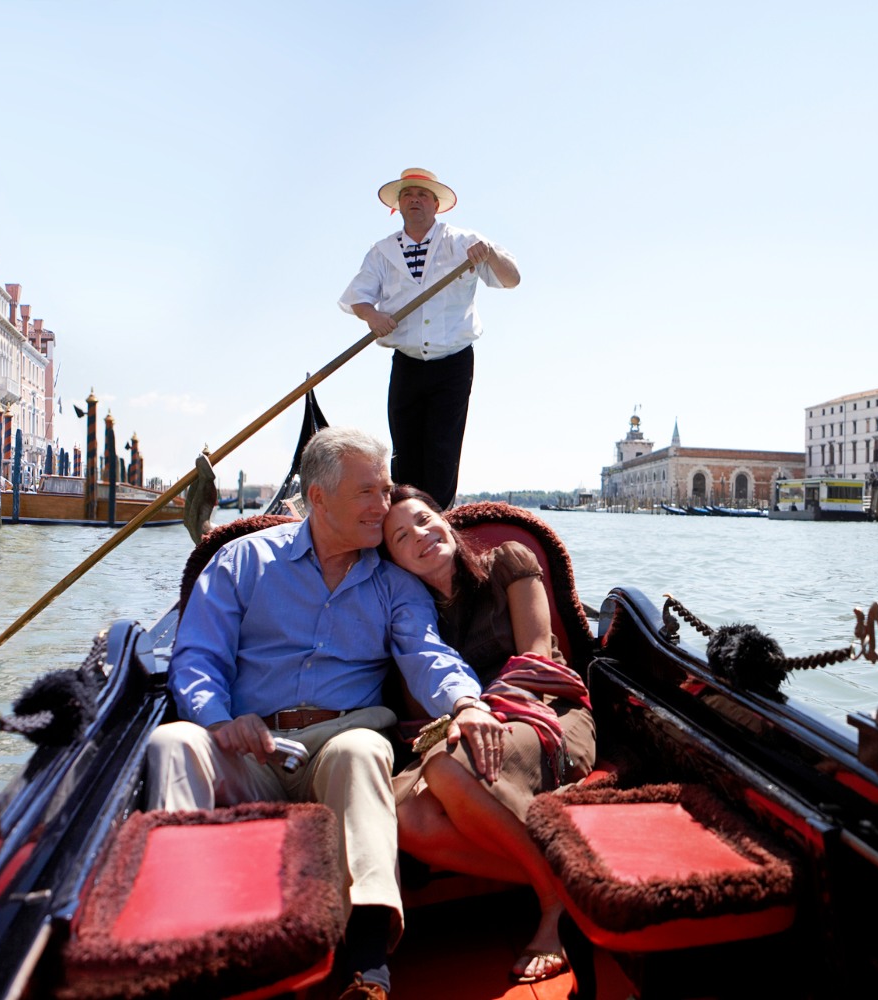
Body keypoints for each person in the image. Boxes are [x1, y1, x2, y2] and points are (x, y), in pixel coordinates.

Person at [144, 428, 499, 1000]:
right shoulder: (245, 561)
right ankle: (177, 942)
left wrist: (466, 701)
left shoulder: (393, 584)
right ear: (318, 498)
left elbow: (426, 654)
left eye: (384, 491)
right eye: (369, 493)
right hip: (248, 748)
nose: (382, 507)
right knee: (172, 745)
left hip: (339, 744)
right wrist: (218, 720)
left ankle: (368, 966)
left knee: (362, 752)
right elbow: (197, 656)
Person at [381, 486, 595, 985]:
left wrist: (478, 714)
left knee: (444, 765)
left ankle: (551, 907)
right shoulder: (409, 616)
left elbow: (537, 655)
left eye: (424, 518)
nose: (420, 534)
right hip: (465, 732)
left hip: (547, 712)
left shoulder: (507, 562)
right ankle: (567, 886)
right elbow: (420, 711)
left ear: (445, 519)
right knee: (403, 815)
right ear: (391, 560)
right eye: (399, 536)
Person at [340, 168, 520, 509]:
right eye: (408, 195)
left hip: (453, 362)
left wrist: (491, 254)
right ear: (399, 206)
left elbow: (511, 280)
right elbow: (357, 298)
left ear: (436, 205)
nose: (414, 200)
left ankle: (437, 522)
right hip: (407, 364)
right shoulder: (381, 252)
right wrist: (372, 316)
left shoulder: (464, 242)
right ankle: (405, 523)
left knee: (442, 451)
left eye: (422, 195)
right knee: (404, 451)